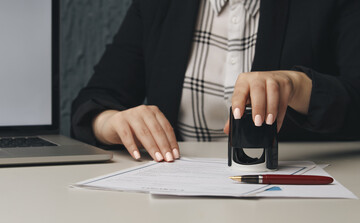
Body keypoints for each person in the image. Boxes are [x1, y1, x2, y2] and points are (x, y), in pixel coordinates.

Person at [71, 0, 360, 162]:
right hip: (177, 194)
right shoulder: (158, 5)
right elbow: (95, 99)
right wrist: (111, 122)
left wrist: (300, 87)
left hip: (295, 201)